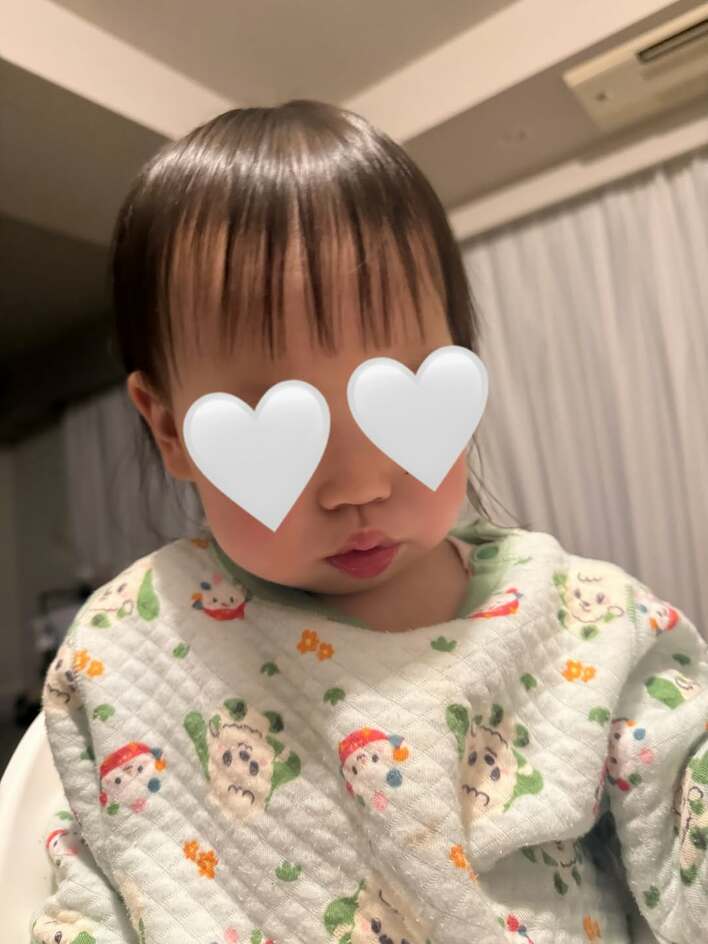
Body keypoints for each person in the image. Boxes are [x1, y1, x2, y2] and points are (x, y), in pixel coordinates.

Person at [30, 101, 707, 944]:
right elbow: (91, 887)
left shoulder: (584, 619)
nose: (358, 485)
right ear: (169, 427)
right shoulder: (127, 647)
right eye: (274, 415)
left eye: (398, 391)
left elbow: (684, 793)